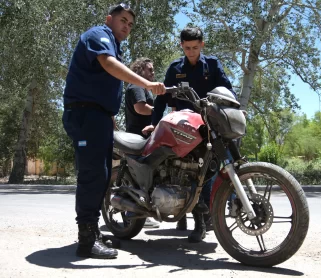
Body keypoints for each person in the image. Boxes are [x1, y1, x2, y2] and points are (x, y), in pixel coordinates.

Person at [62, 3, 165, 259]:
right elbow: (109, 65)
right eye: (123, 20)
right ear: (110, 19)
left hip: (98, 116)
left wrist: (108, 117)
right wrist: (147, 83)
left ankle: (93, 231)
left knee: (103, 174)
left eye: (130, 24)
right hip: (85, 113)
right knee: (92, 174)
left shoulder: (113, 44)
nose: (126, 26)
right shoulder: (99, 34)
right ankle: (85, 240)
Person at [144, 26, 235, 243]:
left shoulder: (212, 65)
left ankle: (204, 215)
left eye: (195, 47)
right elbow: (161, 99)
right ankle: (197, 222)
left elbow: (227, 91)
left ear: (202, 45)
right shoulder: (175, 68)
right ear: (181, 46)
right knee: (189, 173)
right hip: (184, 129)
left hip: (210, 127)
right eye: (187, 48)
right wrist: (154, 124)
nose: (191, 52)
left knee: (208, 172)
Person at [124, 57, 160, 228]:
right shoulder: (137, 86)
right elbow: (140, 108)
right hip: (138, 138)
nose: (153, 73)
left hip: (144, 136)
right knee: (142, 176)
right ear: (140, 70)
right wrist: (160, 112)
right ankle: (133, 212)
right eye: (150, 70)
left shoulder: (142, 88)